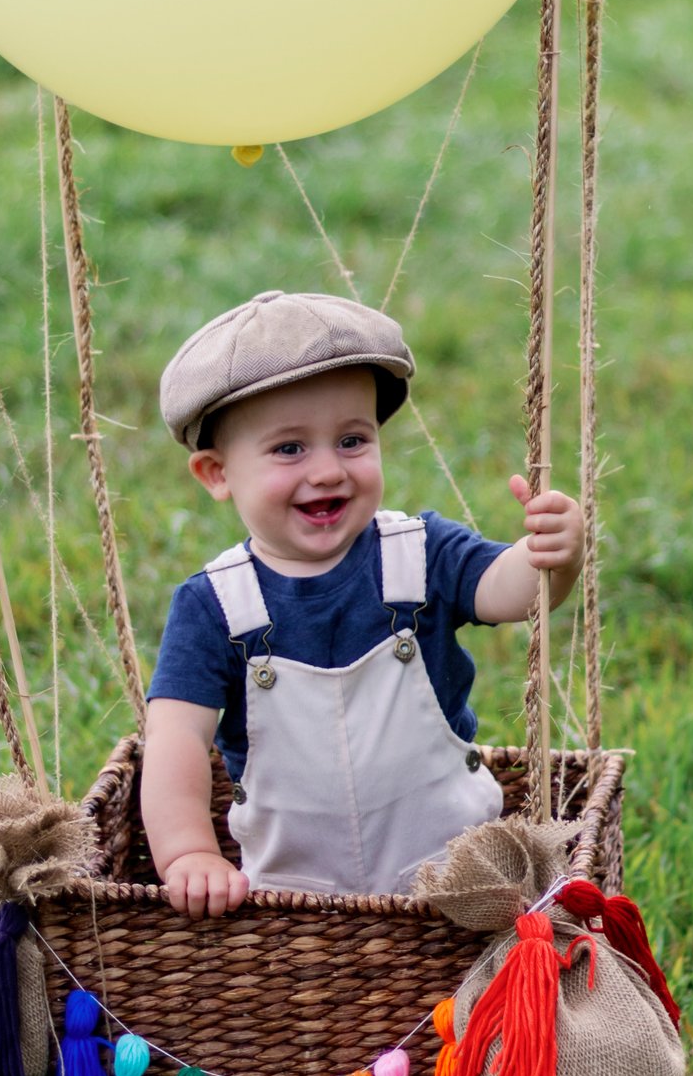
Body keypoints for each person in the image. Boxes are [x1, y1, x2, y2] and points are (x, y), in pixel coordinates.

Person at [143, 289, 584, 916]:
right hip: (291, 903)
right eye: (290, 449)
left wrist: (550, 556)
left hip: (459, 878)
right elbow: (176, 737)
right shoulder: (213, 604)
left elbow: (510, 592)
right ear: (217, 474)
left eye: (352, 440)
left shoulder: (420, 551)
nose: (328, 471)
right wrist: (189, 852)